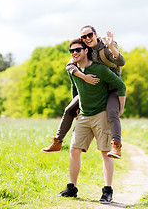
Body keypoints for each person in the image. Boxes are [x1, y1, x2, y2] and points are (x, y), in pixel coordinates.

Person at [57, 38, 126, 203]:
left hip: (101, 114)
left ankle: (107, 191)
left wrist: (120, 107)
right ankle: (72, 188)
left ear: (86, 50)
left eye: (78, 50)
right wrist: (77, 106)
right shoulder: (72, 70)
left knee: (105, 153)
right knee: (74, 150)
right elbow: (74, 88)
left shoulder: (99, 69)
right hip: (83, 116)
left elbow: (120, 84)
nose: (74, 53)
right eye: (72, 51)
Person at [42, 25, 126, 159]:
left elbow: (121, 61)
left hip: (111, 88)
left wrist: (111, 46)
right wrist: (83, 77)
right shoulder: (82, 50)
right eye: (84, 36)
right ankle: (57, 142)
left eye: (90, 35)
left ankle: (116, 145)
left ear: (95, 35)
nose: (87, 38)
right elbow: (70, 66)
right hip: (94, 87)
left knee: (111, 112)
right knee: (69, 109)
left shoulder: (104, 48)